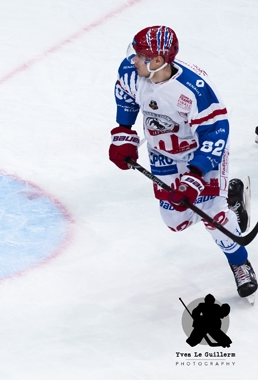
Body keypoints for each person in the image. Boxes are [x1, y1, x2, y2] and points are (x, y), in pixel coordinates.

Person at [108, 25, 257, 300]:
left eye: (140, 56)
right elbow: (125, 93)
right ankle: (231, 196)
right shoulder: (131, 71)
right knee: (175, 220)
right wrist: (123, 132)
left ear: (157, 61)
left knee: (213, 213)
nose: (133, 59)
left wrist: (195, 176)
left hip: (201, 153)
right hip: (163, 153)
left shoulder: (195, 90)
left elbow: (216, 133)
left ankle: (239, 262)